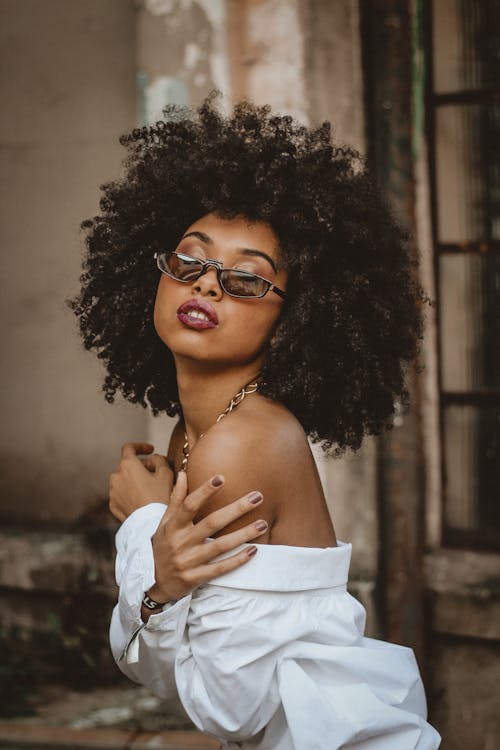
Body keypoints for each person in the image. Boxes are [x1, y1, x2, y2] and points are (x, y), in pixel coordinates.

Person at [68, 94, 441, 749]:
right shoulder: (197, 432)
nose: (208, 285)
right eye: (191, 260)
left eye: (247, 280)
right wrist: (160, 572)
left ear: (297, 317)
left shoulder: (242, 444)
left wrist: (145, 525)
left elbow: (225, 705)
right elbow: (163, 661)